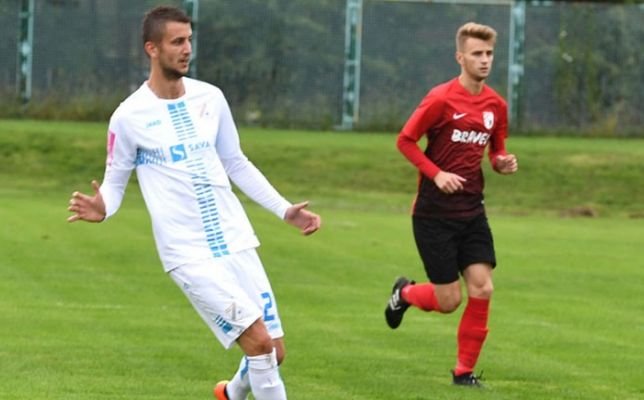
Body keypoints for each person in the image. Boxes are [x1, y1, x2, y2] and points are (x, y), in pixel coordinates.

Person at [67, 6, 321, 400]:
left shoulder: (211, 98)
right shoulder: (128, 116)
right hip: (188, 254)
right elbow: (115, 182)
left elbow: (236, 162)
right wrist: (103, 208)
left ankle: (231, 393)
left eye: (189, 40)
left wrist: (284, 209)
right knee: (259, 344)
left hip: (236, 240)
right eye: (177, 42)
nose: (187, 49)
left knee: (274, 350)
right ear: (152, 48)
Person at [384, 22, 518, 387]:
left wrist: (502, 162)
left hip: (472, 211)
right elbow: (405, 140)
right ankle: (405, 293)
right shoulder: (440, 98)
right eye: (477, 54)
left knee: (483, 288)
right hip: (433, 214)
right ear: (460, 57)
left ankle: (464, 374)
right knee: (448, 301)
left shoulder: (496, 105)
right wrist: (437, 174)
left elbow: (497, 151)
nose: (485, 60)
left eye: (489, 53)